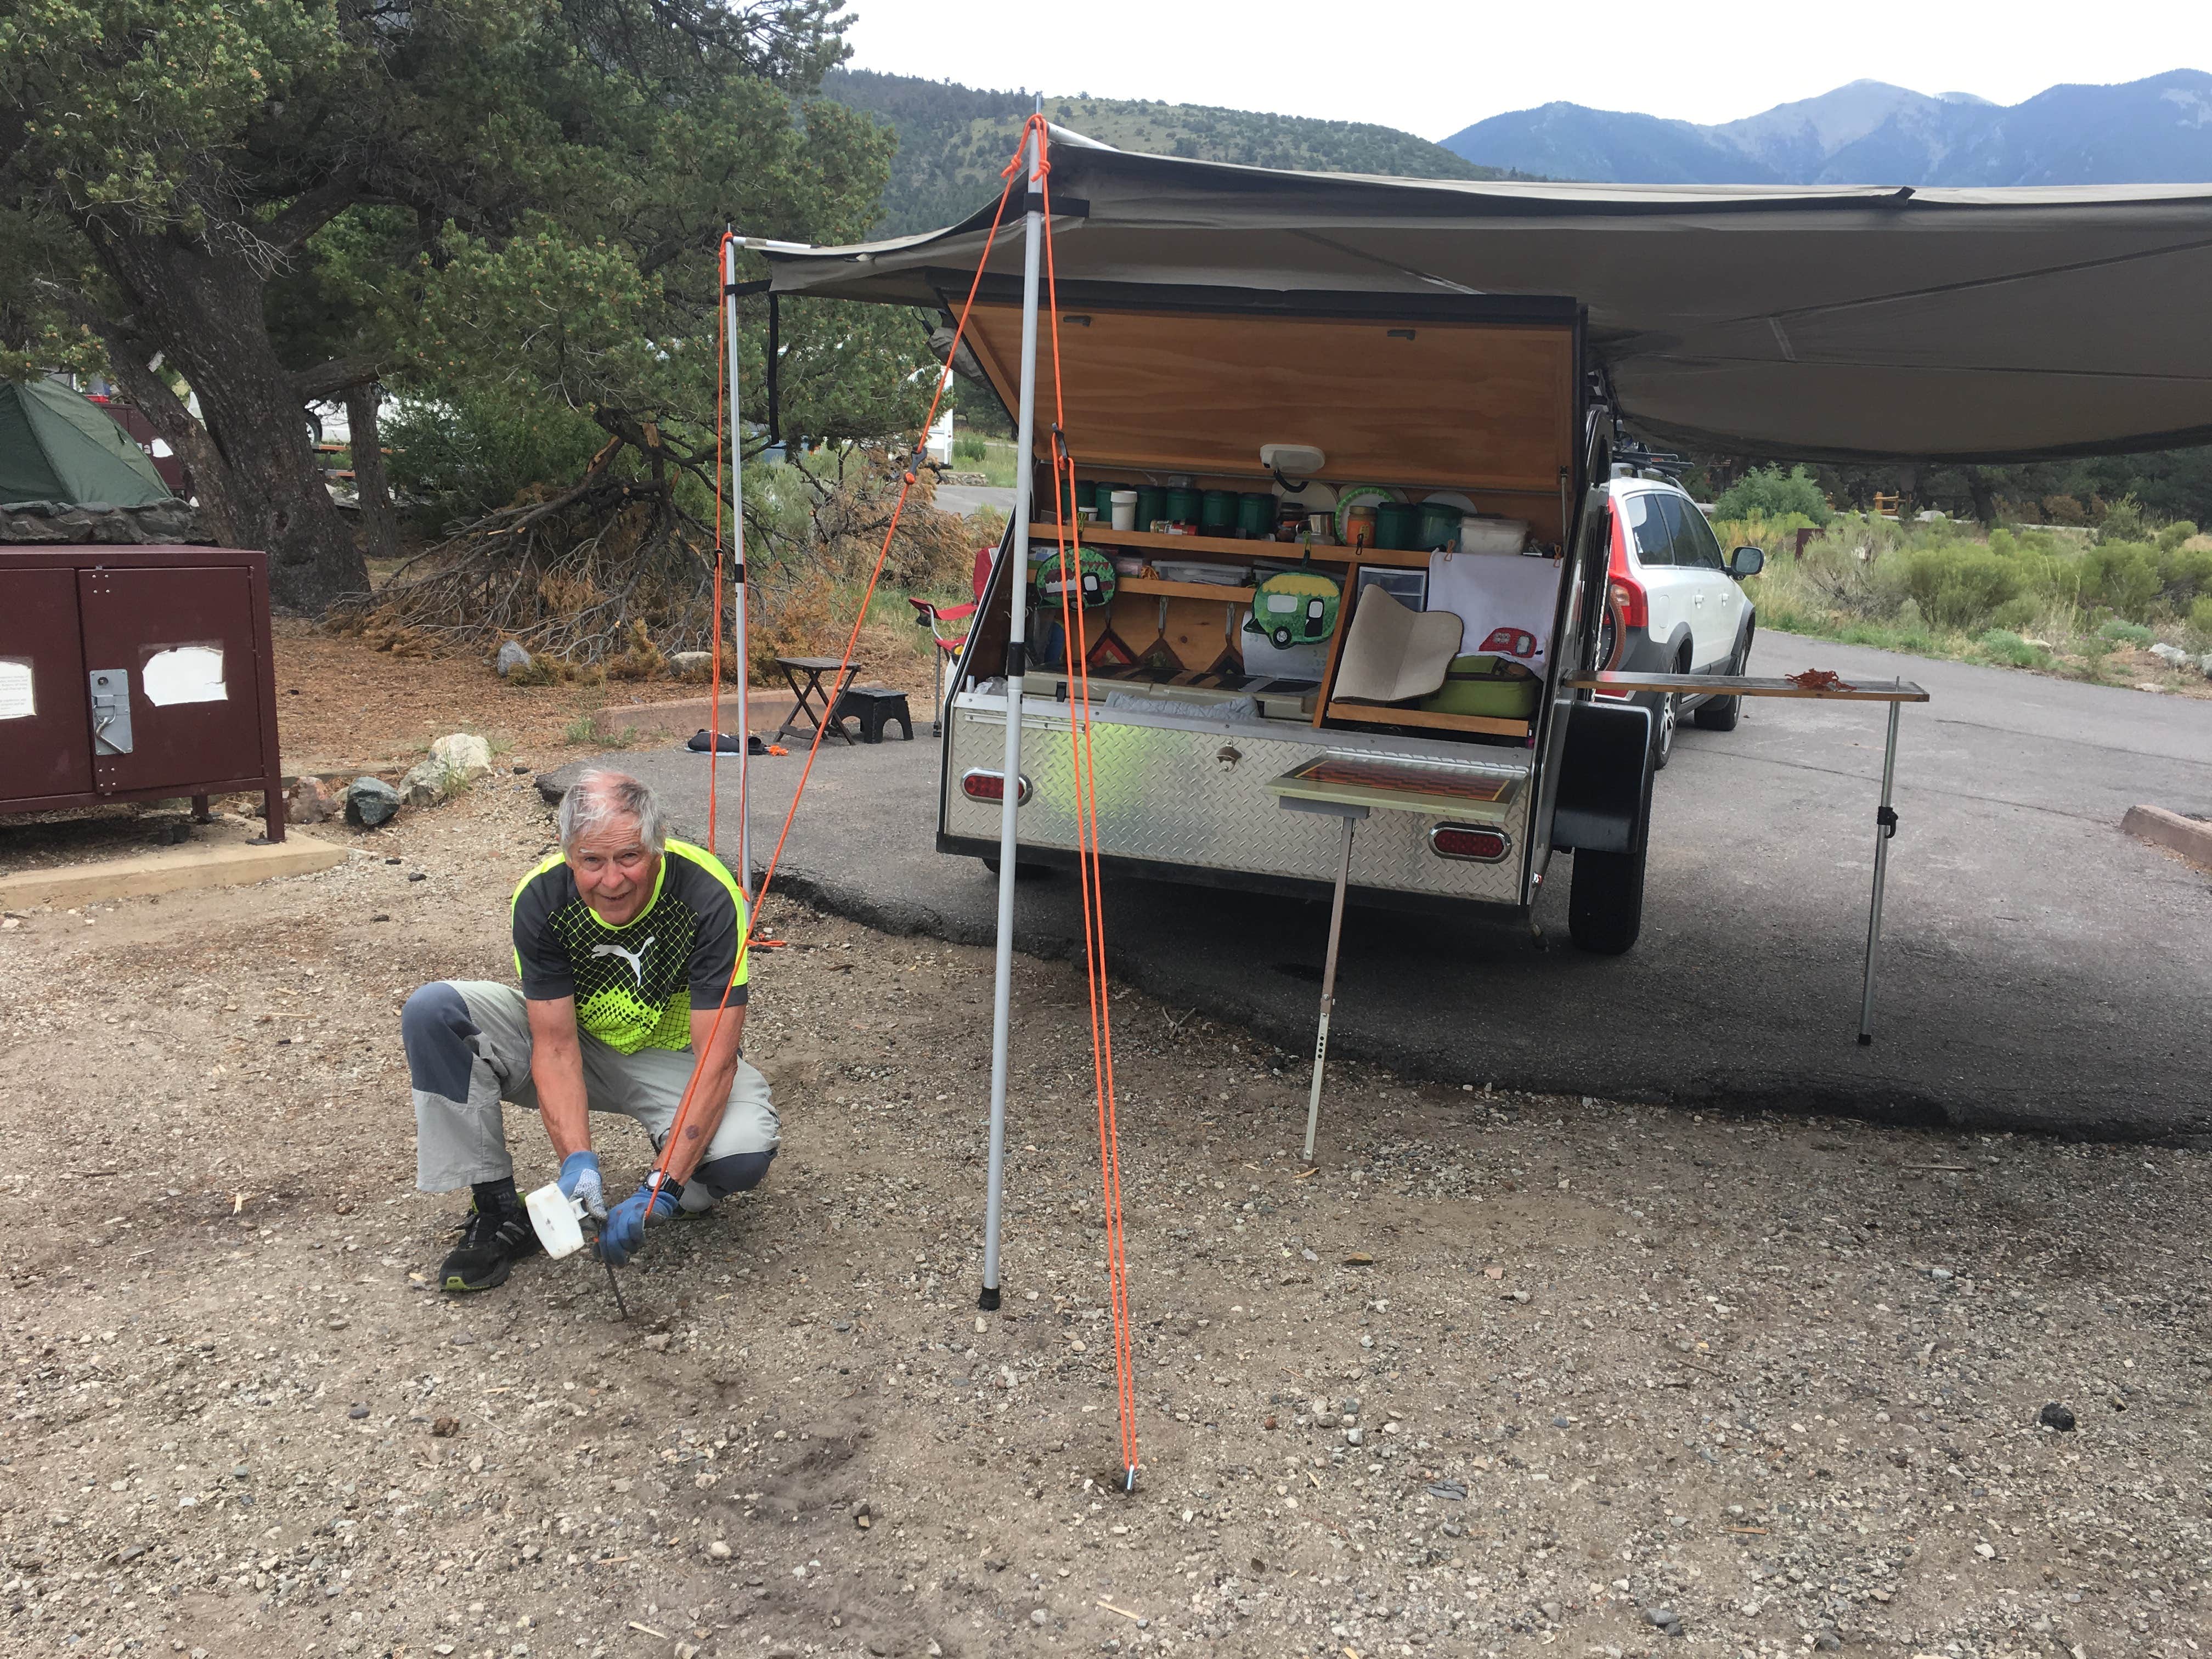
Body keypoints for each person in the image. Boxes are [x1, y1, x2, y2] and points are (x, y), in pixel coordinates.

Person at [400, 769, 776, 1292]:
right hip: (576, 1041)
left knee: (741, 1153)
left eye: (629, 856)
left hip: (672, 1055)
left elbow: (716, 1056)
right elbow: (553, 1047)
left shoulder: (708, 892)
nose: (612, 880)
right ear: (568, 854)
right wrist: (577, 1162)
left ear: (657, 846)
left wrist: (661, 1185)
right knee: (434, 1012)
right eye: (591, 861)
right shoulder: (542, 898)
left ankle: (678, 1173)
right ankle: (495, 1208)